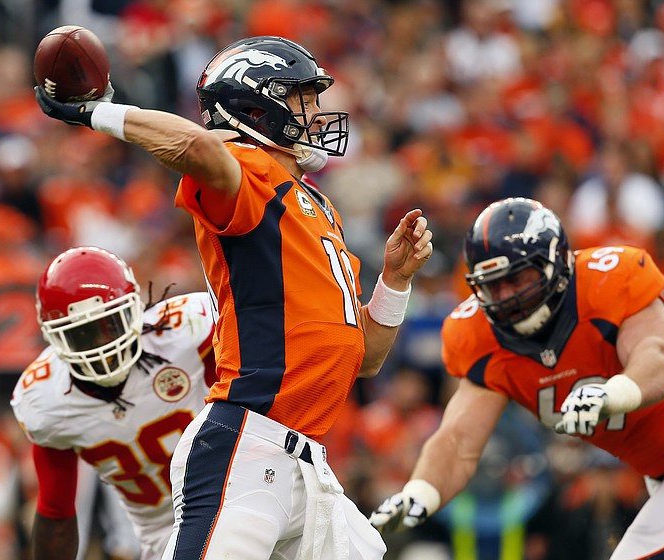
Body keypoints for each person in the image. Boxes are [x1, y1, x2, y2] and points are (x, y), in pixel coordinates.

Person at [35, 35, 433, 559]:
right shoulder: (249, 170)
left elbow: (366, 358)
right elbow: (199, 148)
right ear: (255, 108)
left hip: (307, 462)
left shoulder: (315, 205)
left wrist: (395, 282)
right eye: (301, 100)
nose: (316, 114)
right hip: (247, 446)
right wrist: (102, 112)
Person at [369, 197, 664, 559]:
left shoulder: (607, 279)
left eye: (518, 278)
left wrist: (613, 393)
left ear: (556, 262)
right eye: (494, 285)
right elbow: (459, 440)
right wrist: (421, 492)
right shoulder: (480, 335)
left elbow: (661, 356)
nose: (507, 297)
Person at [10, 246, 217, 559]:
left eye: (110, 324)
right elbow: (56, 511)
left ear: (134, 308)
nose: (102, 346)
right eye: (83, 334)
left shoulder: (189, 330)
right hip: (165, 532)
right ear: (55, 339)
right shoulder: (45, 399)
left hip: (237, 490)